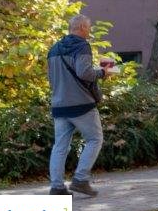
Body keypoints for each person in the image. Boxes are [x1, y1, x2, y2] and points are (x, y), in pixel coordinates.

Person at [47, 14, 112, 196]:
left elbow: (51, 79)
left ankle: (57, 187)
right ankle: (81, 179)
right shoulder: (81, 45)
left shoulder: (54, 49)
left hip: (59, 105)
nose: (89, 31)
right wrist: (102, 73)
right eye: (88, 28)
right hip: (81, 104)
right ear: (82, 27)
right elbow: (84, 72)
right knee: (95, 139)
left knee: (60, 146)